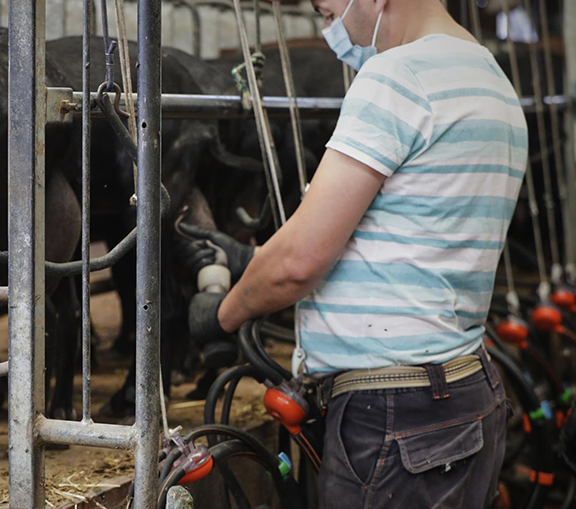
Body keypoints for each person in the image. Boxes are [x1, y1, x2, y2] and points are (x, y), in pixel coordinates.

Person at [180, 0, 527, 507]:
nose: (328, 29)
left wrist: (224, 313)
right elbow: (409, 228)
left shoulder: (398, 75)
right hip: (465, 390)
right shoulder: (492, 80)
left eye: (326, 12)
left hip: (394, 414)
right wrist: (248, 257)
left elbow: (300, 262)